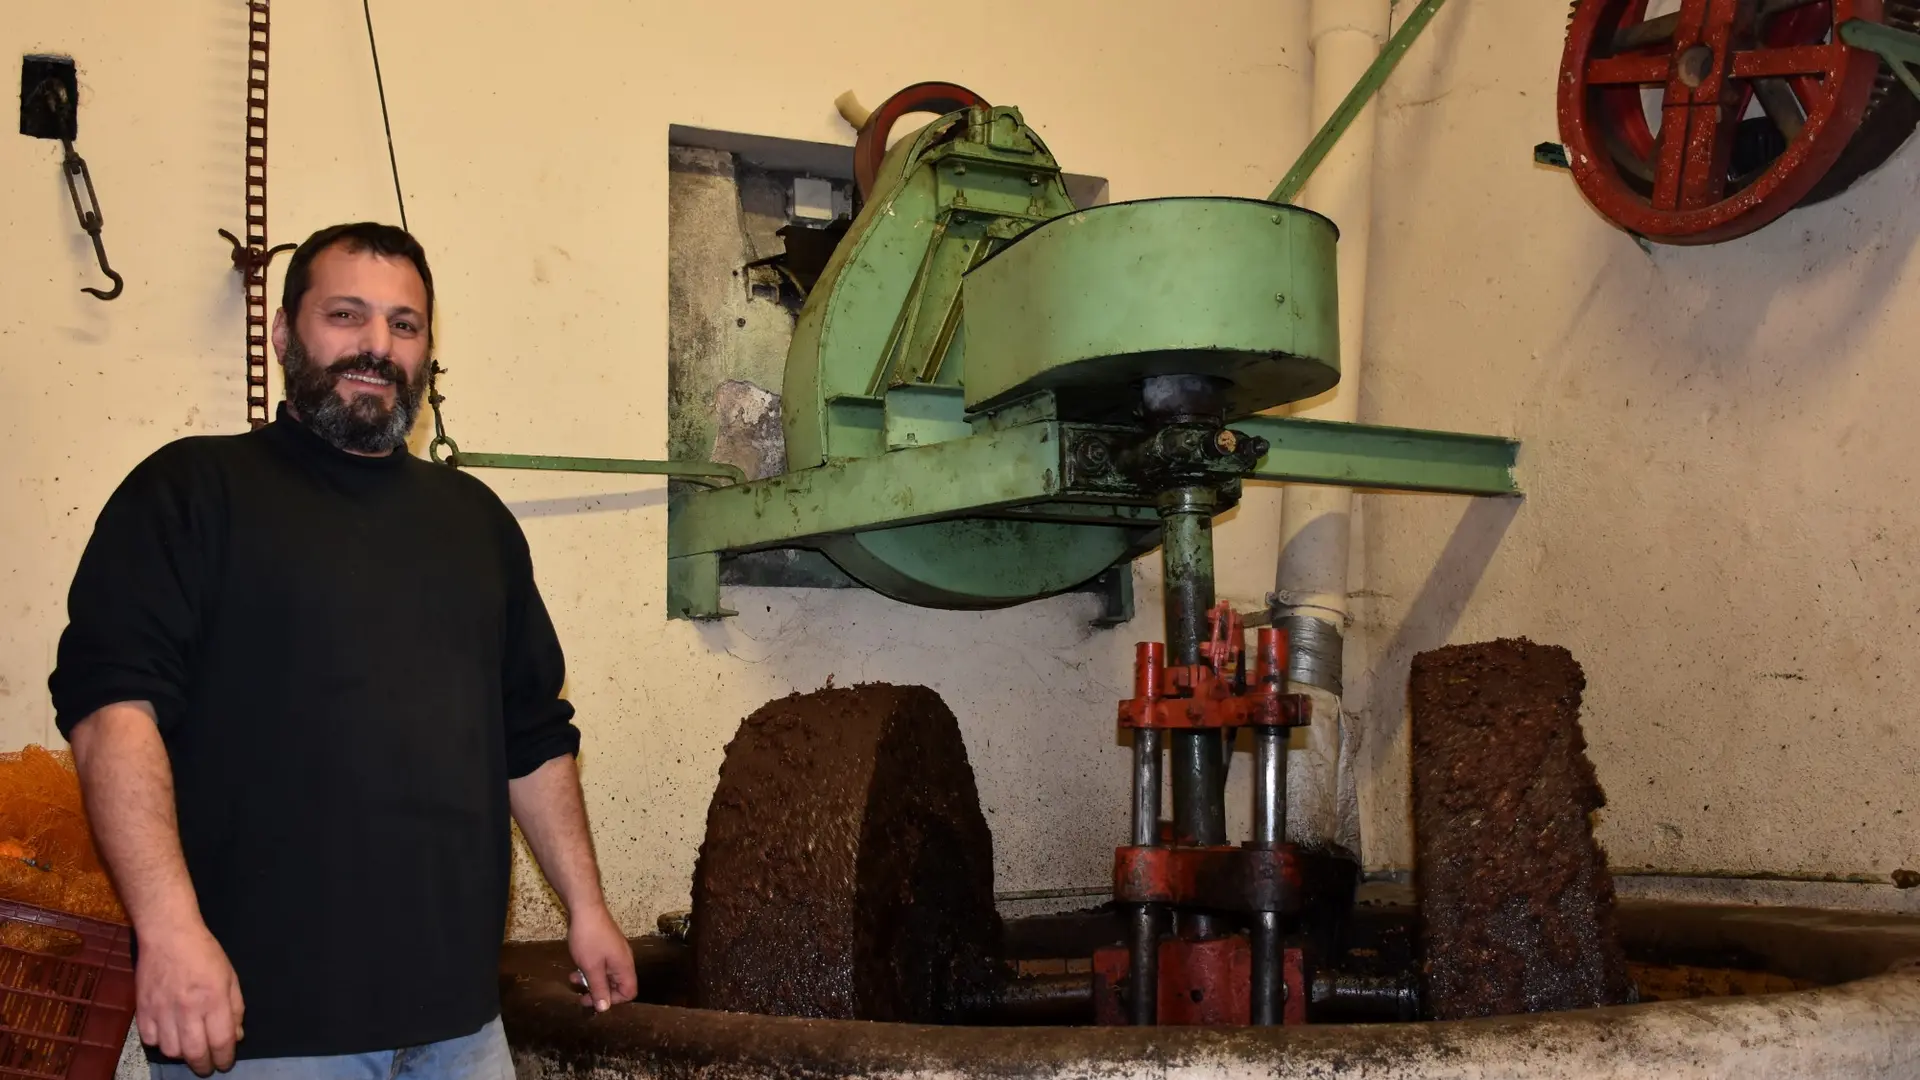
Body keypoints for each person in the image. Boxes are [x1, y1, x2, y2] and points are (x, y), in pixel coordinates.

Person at [48, 222, 637, 1078]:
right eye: (347, 315)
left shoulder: (476, 523)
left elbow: (533, 734)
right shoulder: (188, 493)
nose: (376, 346)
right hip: (265, 1026)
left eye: (405, 324)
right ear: (286, 332)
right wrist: (170, 934)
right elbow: (111, 716)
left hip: (462, 1026)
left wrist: (587, 906)